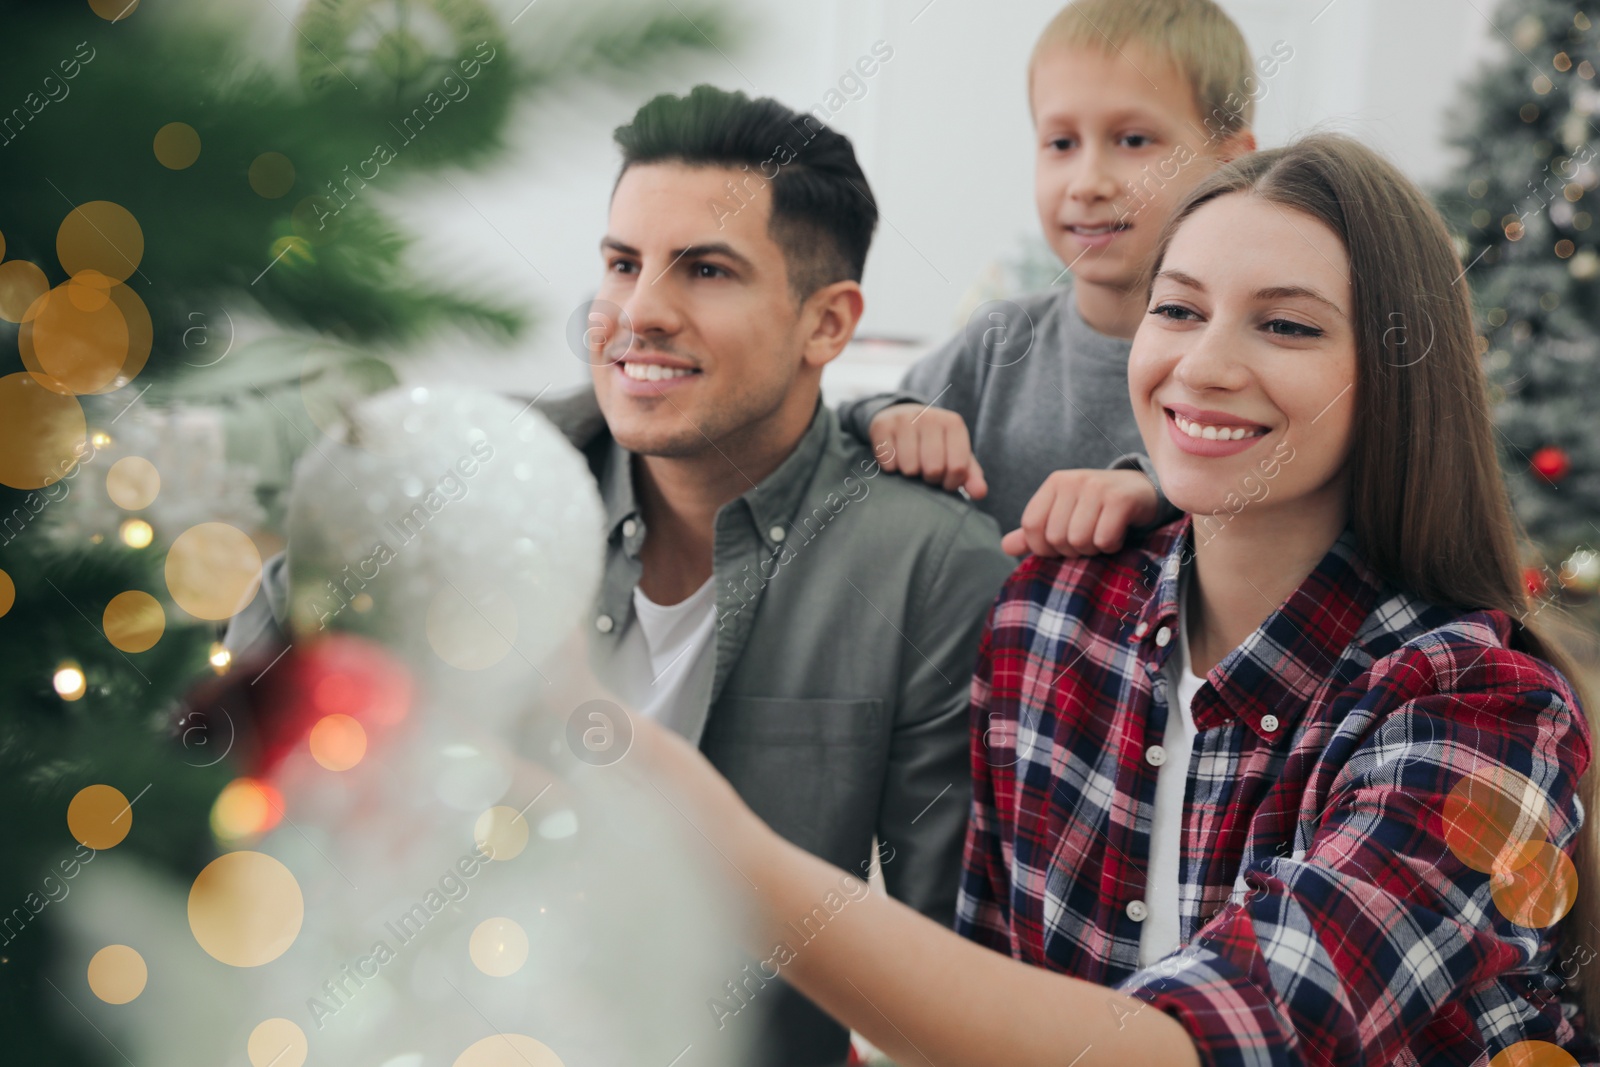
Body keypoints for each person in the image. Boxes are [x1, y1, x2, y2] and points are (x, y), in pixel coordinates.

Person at [621, 133, 1600, 1064]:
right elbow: (986, 990)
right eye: (1176, 310)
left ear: (1393, 378)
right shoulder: (1047, 619)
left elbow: (1220, 1044)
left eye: (1286, 325)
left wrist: (728, 852)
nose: (1203, 365)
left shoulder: (1481, 716)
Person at [230, 85, 1020, 1067]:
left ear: (826, 324)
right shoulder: (463, 475)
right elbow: (225, 731)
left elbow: (955, 955)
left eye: (706, 270)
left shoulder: (927, 561)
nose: (638, 313)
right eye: (620, 263)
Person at [838, 0, 1269, 559]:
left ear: (1229, 164)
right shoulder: (1002, 339)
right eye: (1061, 143)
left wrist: (1155, 491)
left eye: (1134, 140)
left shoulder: (1246, 363)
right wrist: (889, 419)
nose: (1087, 182)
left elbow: (1288, 492)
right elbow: (851, 424)